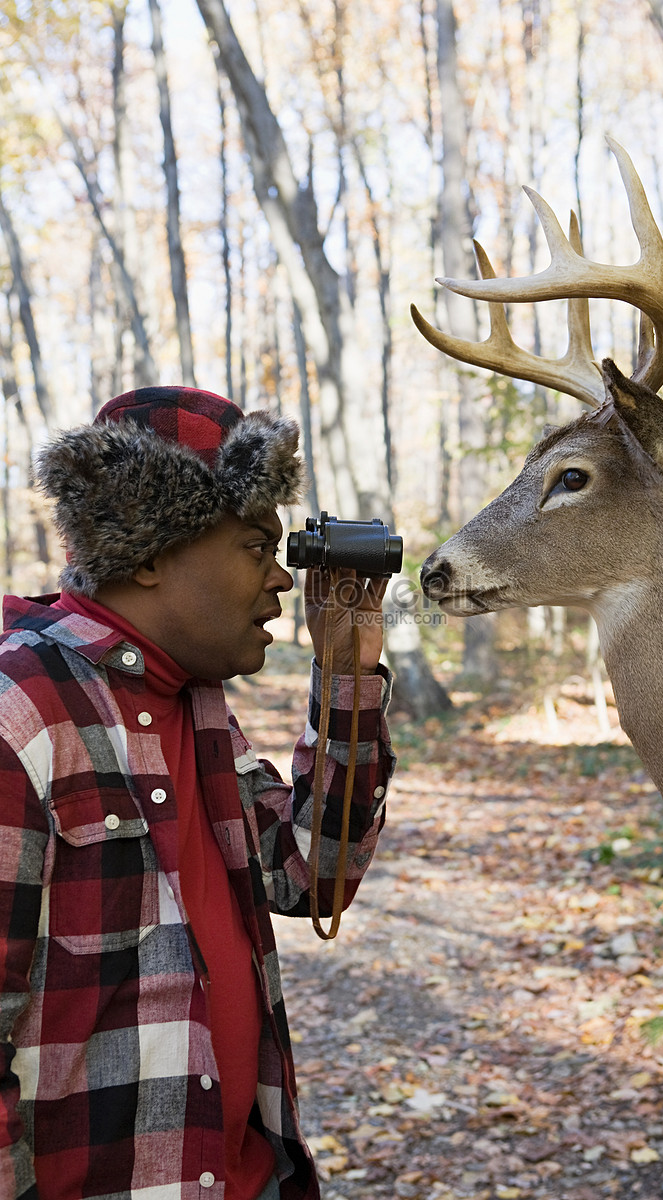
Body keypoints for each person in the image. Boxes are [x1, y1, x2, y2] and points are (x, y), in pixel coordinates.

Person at [0, 386, 395, 1200]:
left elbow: (310, 874)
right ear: (148, 551)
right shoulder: (23, 715)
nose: (283, 579)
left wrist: (348, 674)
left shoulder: (196, 704)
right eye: (257, 547)